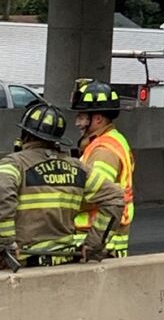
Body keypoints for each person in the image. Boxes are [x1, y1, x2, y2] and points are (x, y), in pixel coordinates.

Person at [0, 101, 123, 267]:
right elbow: (115, 197)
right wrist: (94, 244)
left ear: (25, 134)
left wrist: (6, 243)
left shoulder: (14, 164)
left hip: (25, 264)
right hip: (65, 263)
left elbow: (2, 193)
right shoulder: (77, 168)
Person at [71, 81, 135, 258]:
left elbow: (96, 194)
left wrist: (62, 201)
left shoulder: (104, 151)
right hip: (104, 241)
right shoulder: (111, 140)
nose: (78, 123)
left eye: (82, 117)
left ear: (98, 119)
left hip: (95, 242)